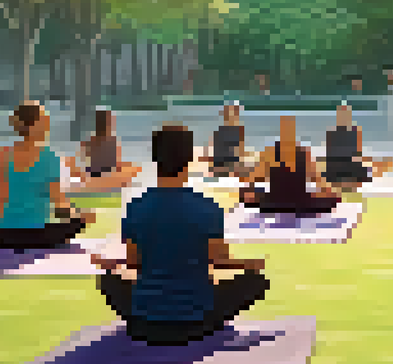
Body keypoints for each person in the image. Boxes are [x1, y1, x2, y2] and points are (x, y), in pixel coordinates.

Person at [94, 124, 270, 344]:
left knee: (108, 279)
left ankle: (151, 319)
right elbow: (217, 260)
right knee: (256, 280)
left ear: (155, 159)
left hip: (146, 318)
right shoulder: (207, 206)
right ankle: (198, 320)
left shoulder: (136, 206)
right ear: (189, 160)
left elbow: (134, 263)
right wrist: (249, 264)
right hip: (198, 316)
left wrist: (113, 263)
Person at [0, 102, 94, 250]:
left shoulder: (4, 154)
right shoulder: (50, 157)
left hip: (7, 235)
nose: (47, 122)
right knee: (85, 217)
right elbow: (60, 204)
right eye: (44, 118)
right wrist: (79, 215)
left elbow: (2, 197)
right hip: (37, 235)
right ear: (36, 124)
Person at [238, 115, 341, 215]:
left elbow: (253, 178)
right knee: (332, 198)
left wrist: (249, 188)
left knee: (246, 194)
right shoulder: (303, 153)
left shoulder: (270, 153)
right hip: (299, 202)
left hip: (275, 202)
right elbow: (319, 180)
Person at [319, 102, 393, 193]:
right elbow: (356, 156)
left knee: (361, 168)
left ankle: (345, 182)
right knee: (366, 169)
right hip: (345, 168)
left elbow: (331, 156)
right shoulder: (353, 132)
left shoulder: (331, 132)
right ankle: (349, 182)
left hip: (333, 170)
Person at [65, 108, 143, 190]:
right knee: (131, 167)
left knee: (127, 167)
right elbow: (117, 162)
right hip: (108, 173)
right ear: (108, 124)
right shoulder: (111, 141)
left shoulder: (91, 140)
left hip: (93, 173)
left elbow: (83, 156)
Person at [201, 102, 251, 179]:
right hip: (230, 167)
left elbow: (212, 150)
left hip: (219, 167)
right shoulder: (239, 130)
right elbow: (240, 154)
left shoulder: (218, 132)